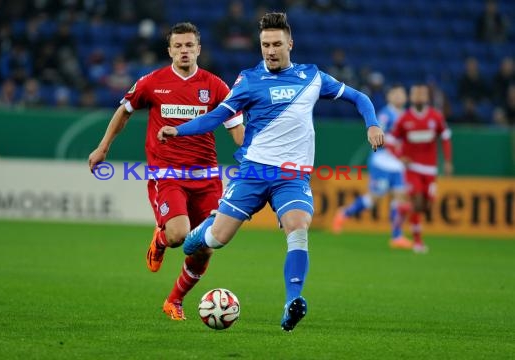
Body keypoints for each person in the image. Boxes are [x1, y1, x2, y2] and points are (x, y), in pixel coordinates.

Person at [157, 12, 384, 331]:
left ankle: (292, 300)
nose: (271, 50)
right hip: (253, 173)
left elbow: (359, 97)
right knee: (216, 239)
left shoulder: (312, 77)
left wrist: (372, 123)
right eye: (265, 45)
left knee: (299, 227)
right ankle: (196, 236)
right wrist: (178, 131)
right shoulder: (248, 80)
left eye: (277, 43)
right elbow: (217, 116)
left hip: (291, 177)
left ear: (290, 43)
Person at [88, 22, 244, 321]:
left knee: (204, 248)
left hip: (206, 178)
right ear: (169, 50)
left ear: (198, 49)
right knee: (178, 235)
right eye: (178, 46)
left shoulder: (215, 86)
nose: (184, 51)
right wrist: (103, 147)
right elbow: (124, 111)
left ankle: (174, 301)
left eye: (189, 46)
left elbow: (236, 129)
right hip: (167, 174)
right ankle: (160, 240)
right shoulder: (152, 82)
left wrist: (251, 152)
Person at [332, 85, 412, 249]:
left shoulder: (406, 116)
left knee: (400, 198)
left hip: (397, 165)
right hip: (382, 161)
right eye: (396, 93)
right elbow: (381, 137)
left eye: (402, 93)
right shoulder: (384, 115)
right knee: (374, 198)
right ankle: (344, 213)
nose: (399, 96)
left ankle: (397, 236)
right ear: (389, 96)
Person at [386, 84, 453, 254]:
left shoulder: (435, 117)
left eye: (422, 94)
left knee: (426, 207)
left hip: (430, 169)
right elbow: (390, 141)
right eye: (416, 94)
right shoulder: (405, 118)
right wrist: (399, 157)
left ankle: (401, 210)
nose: (419, 97)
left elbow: (445, 137)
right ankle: (417, 242)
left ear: (427, 97)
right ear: (411, 97)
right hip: (412, 168)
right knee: (416, 202)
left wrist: (447, 161)